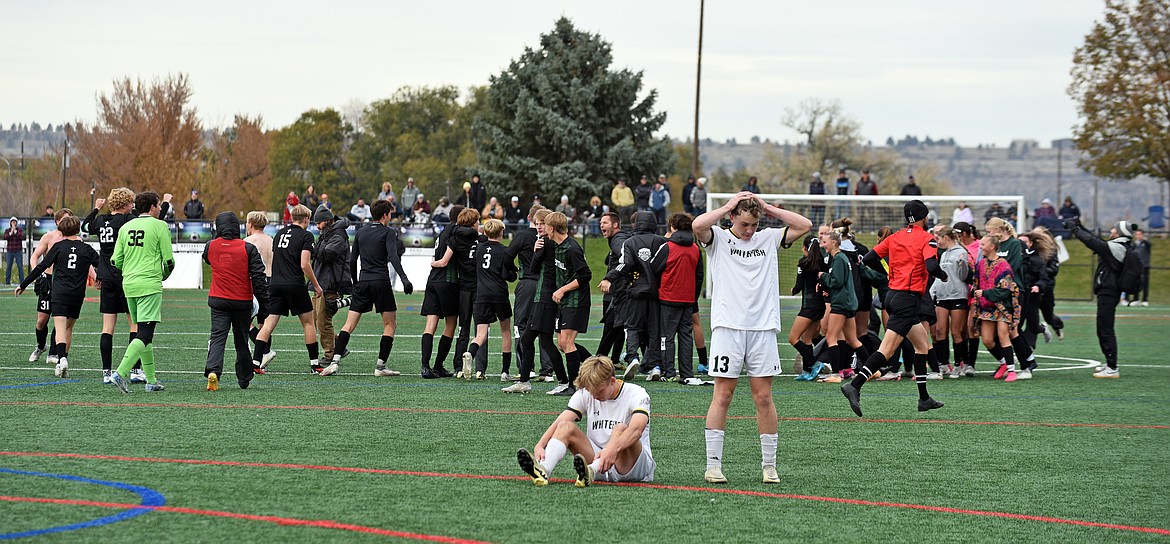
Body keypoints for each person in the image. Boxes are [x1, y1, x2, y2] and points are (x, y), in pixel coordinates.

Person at [693, 192, 811, 484]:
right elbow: (697, 225)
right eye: (744, 224)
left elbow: (804, 224)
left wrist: (768, 208)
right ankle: (714, 465)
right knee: (723, 395)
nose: (749, 231)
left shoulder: (768, 238)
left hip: (762, 329)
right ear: (733, 218)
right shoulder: (718, 239)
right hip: (727, 328)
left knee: (764, 397)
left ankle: (769, 466)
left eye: (754, 224)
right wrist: (729, 205)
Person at [840, 200, 947, 417]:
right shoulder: (927, 239)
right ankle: (855, 385)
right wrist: (943, 276)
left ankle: (924, 398)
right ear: (924, 217)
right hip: (907, 299)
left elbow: (869, 259)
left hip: (893, 295)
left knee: (922, 345)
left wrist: (890, 274)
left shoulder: (895, 236)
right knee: (886, 350)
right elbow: (931, 266)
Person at [515, 355, 654, 487]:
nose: (594, 396)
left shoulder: (637, 393)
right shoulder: (588, 392)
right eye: (590, 391)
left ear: (612, 381)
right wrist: (540, 445)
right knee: (565, 427)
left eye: (599, 391)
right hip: (597, 460)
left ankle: (592, 470)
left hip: (632, 466)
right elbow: (562, 419)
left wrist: (612, 449)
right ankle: (544, 469)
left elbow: (636, 430)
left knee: (620, 429)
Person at [321, 200, 413, 377]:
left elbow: (352, 260)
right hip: (380, 282)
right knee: (390, 325)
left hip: (363, 282)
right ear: (385, 215)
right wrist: (404, 278)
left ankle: (334, 362)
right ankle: (380, 367)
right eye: (390, 214)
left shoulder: (361, 232)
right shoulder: (388, 232)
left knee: (349, 324)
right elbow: (393, 257)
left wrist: (355, 283)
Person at [82, 188, 158, 384]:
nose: (133, 206)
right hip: (125, 276)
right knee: (134, 324)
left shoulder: (100, 221)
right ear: (125, 204)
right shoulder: (127, 221)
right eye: (131, 203)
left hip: (106, 277)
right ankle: (135, 370)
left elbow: (85, 226)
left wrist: (96, 209)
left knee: (108, 327)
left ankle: (106, 372)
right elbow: (150, 223)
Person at [16, 215, 99, 379]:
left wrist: (24, 284)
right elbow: (100, 264)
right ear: (78, 229)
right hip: (77, 293)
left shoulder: (59, 247)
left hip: (59, 292)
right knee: (69, 328)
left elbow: (41, 266)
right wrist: (102, 280)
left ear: (62, 230)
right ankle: (64, 357)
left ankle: (61, 359)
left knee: (59, 328)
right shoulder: (86, 248)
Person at [109, 191, 174, 393]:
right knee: (145, 334)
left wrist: (130, 271)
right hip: (149, 284)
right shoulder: (160, 226)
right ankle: (120, 372)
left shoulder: (126, 227)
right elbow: (169, 260)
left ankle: (151, 380)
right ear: (153, 206)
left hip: (129, 284)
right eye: (158, 206)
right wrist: (162, 276)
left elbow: (115, 260)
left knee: (143, 333)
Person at [252, 204, 324, 375]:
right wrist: (316, 285)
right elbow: (305, 264)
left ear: (292, 218)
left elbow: (276, 259)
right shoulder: (306, 236)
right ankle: (315, 364)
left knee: (269, 324)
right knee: (308, 323)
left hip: (276, 284)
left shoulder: (278, 234)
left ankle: (255, 362)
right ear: (306, 219)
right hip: (295, 284)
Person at [203, 211, 270, 390]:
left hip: (218, 299)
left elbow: (207, 259)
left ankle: (213, 371)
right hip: (242, 300)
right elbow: (258, 278)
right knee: (241, 340)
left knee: (218, 337)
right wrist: (264, 305)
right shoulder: (247, 248)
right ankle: (244, 377)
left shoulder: (211, 246)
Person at [1064, 218, 1132, 378]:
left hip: (1109, 292)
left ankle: (1112, 367)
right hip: (1107, 292)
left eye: (1114, 230)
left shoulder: (1117, 247)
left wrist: (1075, 229)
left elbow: (1092, 243)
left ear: (1120, 233)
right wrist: (1080, 226)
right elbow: (1095, 241)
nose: (1112, 231)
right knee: (1102, 328)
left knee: (1105, 329)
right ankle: (1109, 363)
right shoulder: (1119, 245)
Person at [605, 211, 666, 379]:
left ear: (636, 224)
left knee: (632, 326)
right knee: (654, 330)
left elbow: (624, 264)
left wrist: (609, 278)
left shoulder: (630, 242)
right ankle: (656, 365)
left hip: (635, 291)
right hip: (656, 293)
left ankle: (632, 357)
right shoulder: (662, 242)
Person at [503, 206, 553, 392]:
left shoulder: (523, 236)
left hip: (528, 283)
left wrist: (514, 271)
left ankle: (527, 368)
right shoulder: (552, 238)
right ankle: (547, 370)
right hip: (547, 285)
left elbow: (507, 256)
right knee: (544, 327)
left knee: (522, 325)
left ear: (529, 217)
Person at [652, 213, 704, 385]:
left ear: (673, 227)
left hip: (668, 297)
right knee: (685, 336)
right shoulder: (696, 248)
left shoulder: (667, 246)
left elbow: (654, 267)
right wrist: (693, 297)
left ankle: (669, 371)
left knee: (666, 337)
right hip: (688, 299)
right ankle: (686, 372)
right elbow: (699, 276)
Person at [464, 219, 517, 380]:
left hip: (482, 295)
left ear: (486, 232)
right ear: (501, 233)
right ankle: (505, 372)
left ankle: (469, 353)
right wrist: (514, 273)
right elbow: (509, 276)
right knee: (506, 331)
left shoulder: (479, 249)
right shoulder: (504, 251)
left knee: (481, 334)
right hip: (499, 294)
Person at [419, 205, 464, 379]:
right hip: (448, 281)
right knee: (450, 324)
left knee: (430, 325)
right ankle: (438, 365)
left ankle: (425, 366)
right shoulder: (457, 231)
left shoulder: (443, 231)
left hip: (432, 280)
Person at [27, 208, 73, 371]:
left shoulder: (75, 239)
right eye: (65, 219)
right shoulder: (49, 237)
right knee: (41, 320)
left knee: (60, 319)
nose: (68, 222)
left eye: (70, 219)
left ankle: (54, 353)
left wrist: (96, 277)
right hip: (48, 280)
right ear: (57, 222)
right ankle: (41, 346)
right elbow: (35, 256)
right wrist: (37, 275)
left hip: (64, 282)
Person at [973, 235, 1020, 381]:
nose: (980, 247)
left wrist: (986, 293)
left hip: (1002, 307)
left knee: (1003, 336)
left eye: (983, 245)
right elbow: (975, 282)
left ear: (992, 246)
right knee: (987, 340)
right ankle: (1003, 363)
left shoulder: (1003, 265)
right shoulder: (980, 264)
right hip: (987, 307)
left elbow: (1006, 289)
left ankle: (1012, 371)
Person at [930, 227, 973, 379]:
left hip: (957, 296)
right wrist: (932, 292)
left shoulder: (961, 251)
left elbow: (962, 276)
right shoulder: (943, 255)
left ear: (946, 237)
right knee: (940, 331)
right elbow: (939, 277)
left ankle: (957, 365)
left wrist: (963, 265)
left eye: (938, 238)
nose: (937, 241)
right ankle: (943, 364)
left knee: (956, 332)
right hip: (942, 297)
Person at [311, 205, 352, 365]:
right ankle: (339, 346)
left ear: (326, 221)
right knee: (317, 320)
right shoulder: (327, 234)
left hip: (331, 284)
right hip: (321, 282)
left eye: (318, 223)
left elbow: (327, 254)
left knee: (323, 321)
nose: (317, 227)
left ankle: (329, 355)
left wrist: (311, 249)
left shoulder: (338, 236)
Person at [790, 235, 827, 381]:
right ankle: (807, 371)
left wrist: (793, 290)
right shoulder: (822, 263)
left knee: (793, 338)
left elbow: (798, 287)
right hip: (820, 306)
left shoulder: (804, 263)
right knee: (807, 339)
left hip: (809, 307)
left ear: (805, 248)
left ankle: (815, 363)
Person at [595, 212, 630, 365]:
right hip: (619, 290)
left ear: (615, 225)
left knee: (611, 327)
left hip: (618, 291)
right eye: (601, 223)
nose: (601, 225)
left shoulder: (618, 239)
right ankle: (614, 359)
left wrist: (610, 277)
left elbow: (625, 257)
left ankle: (597, 361)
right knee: (617, 327)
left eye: (605, 223)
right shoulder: (615, 240)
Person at [244, 211, 275, 368]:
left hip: (255, 283)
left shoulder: (248, 241)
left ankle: (266, 351)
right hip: (272, 281)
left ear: (250, 224)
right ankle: (264, 355)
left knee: (245, 321)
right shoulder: (271, 240)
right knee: (265, 323)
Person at [1127, 228, 1150, 306]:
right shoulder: (1134, 244)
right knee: (1136, 283)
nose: (1138, 236)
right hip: (1136, 266)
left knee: (1145, 283)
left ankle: (1145, 300)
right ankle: (1136, 299)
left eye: (1140, 234)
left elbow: (1149, 245)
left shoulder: (1146, 243)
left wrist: (1143, 240)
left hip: (1145, 266)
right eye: (1137, 234)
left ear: (1142, 235)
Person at [5, 217, 24, 285]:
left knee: (20, 266)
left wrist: (15, 232)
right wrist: (11, 232)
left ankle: (22, 282)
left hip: (18, 251)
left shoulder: (20, 230)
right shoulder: (7, 230)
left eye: (14, 222)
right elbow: (6, 237)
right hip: (10, 251)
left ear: (16, 223)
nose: (13, 223)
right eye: (12, 222)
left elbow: (21, 237)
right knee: (8, 267)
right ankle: (7, 282)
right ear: (10, 223)